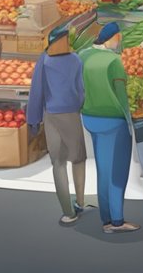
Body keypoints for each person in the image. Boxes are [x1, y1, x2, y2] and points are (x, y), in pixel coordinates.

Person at [27, 23, 88, 226]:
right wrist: (77, 106)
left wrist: (33, 120)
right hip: (71, 114)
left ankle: (68, 212)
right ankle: (80, 201)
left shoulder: (44, 61)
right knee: (78, 159)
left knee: (58, 163)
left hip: (51, 114)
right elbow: (81, 90)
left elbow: (36, 92)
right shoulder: (76, 60)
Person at [80, 22, 138, 233]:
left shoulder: (83, 55)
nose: (119, 41)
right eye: (118, 38)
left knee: (103, 170)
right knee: (117, 172)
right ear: (111, 38)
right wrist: (129, 121)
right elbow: (122, 96)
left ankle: (105, 218)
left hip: (90, 118)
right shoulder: (114, 61)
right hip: (114, 121)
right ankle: (116, 221)